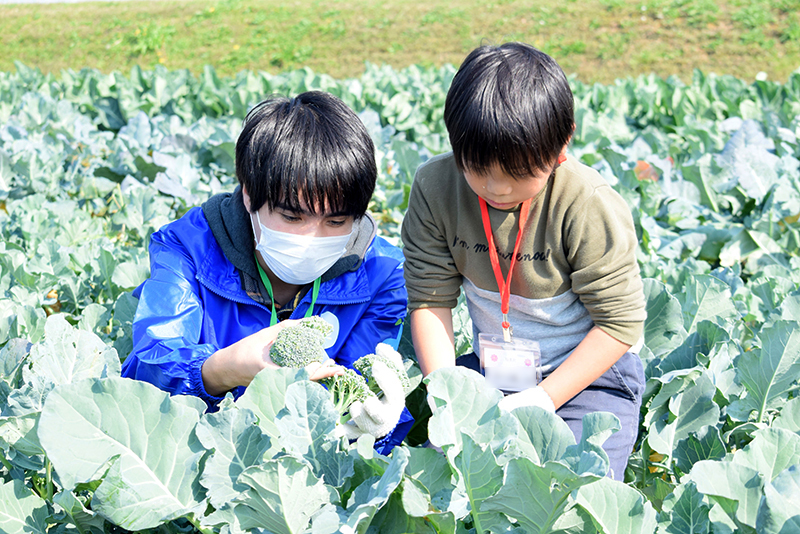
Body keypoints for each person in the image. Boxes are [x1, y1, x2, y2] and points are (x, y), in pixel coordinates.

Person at [401, 43, 646, 479]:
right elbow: (429, 299)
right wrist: (448, 396)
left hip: (587, 380)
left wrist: (545, 398)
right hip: (491, 375)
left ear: (562, 144)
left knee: (570, 494)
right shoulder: (436, 186)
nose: (495, 187)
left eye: (518, 173)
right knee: (453, 490)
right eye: (476, 168)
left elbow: (620, 325)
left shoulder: (586, 203)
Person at [122, 91, 412, 453]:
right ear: (248, 194)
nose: (311, 237)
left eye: (336, 221)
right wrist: (220, 370)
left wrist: (374, 428)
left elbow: (363, 389)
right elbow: (143, 375)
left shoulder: (382, 273)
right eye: (292, 217)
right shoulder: (187, 248)